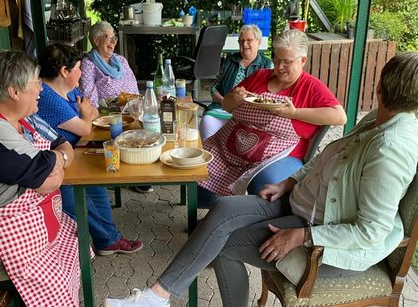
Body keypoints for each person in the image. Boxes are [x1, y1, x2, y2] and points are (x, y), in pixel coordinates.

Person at [105, 52, 418, 307]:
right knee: (224, 209)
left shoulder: (391, 147)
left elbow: (372, 231)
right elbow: (325, 161)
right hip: (295, 203)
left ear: (380, 88)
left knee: (224, 245)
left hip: (319, 232)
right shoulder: (374, 122)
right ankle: (156, 297)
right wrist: (288, 183)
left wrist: (303, 237)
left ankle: (154, 298)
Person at [0, 49, 81, 306]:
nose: (41, 90)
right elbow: (47, 177)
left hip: (24, 232)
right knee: (53, 280)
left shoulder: (20, 117)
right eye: (36, 83)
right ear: (14, 91)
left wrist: (59, 160)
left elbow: (61, 145)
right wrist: (57, 163)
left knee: (77, 239)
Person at [197, 29, 347, 208]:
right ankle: (213, 209)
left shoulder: (310, 86)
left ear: (303, 61)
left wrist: (293, 113)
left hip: (278, 155)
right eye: (276, 60)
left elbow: (340, 116)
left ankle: (257, 225)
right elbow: (228, 106)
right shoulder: (260, 76)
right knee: (198, 167)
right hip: (230, 146)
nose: (280, 67)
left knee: (266, 184)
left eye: (287, 62)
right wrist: (233, 98)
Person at [37, 43, 143, 255]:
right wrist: (85, 117)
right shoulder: (47, 97)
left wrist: (85, 116)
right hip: (57, 163)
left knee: (98, 187)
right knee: (81, 202)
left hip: (77, 152)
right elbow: (86, 126)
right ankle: (108, 239)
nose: (82, 72)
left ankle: (108, 239)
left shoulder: (69, 89)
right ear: (64, 71)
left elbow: (92, 111)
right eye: (78, 68)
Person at [80, 20, 153, 194]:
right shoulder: (89, 64)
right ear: (96, 40)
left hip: (132, 109)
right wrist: (110, 109)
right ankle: (131, 175)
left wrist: (136, 105)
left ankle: (143, 171)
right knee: (125, 133)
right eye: (108, 38)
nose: (113, 42)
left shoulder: (120, 60)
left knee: (149, 125)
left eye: (114, 38)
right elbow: (89, 95)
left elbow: (133, 85)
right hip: (108, 113)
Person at [199, 24, 273, 141]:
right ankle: (210, 156)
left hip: (250, 115)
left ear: (258, 42)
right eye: (241, 41)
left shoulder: (267, 65)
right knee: (207, 121)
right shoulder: (230, 60)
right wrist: (225, 102)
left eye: (249, 40)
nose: (244, 44)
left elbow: (269, 96)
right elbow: (214, 88)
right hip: (222, 109)